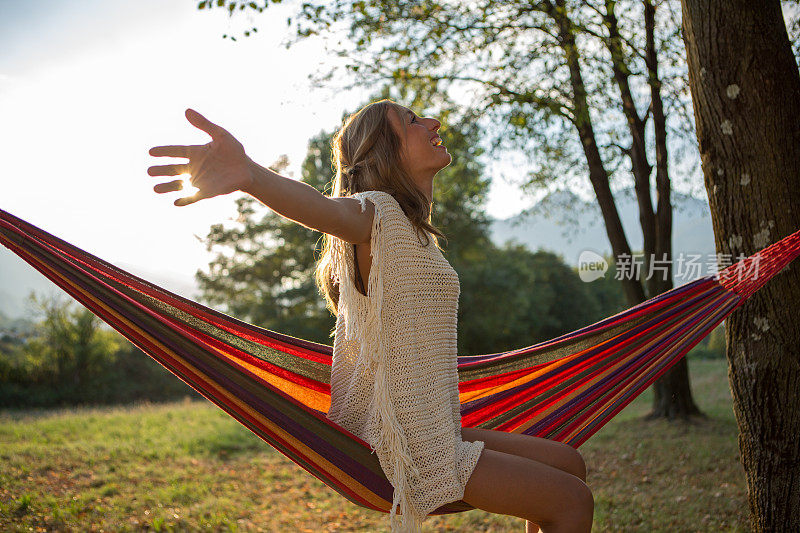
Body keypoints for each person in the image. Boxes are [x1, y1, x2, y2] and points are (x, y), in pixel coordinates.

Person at [148, 100, 594, 533]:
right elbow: (323, 208)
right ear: (385, 151)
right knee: (572, 502)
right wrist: (250, 175)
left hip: (435, 425)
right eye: (413, 121)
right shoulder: (377, 214)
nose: (434, 121)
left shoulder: (414, 231)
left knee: (568, 464)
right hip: (405, 444)